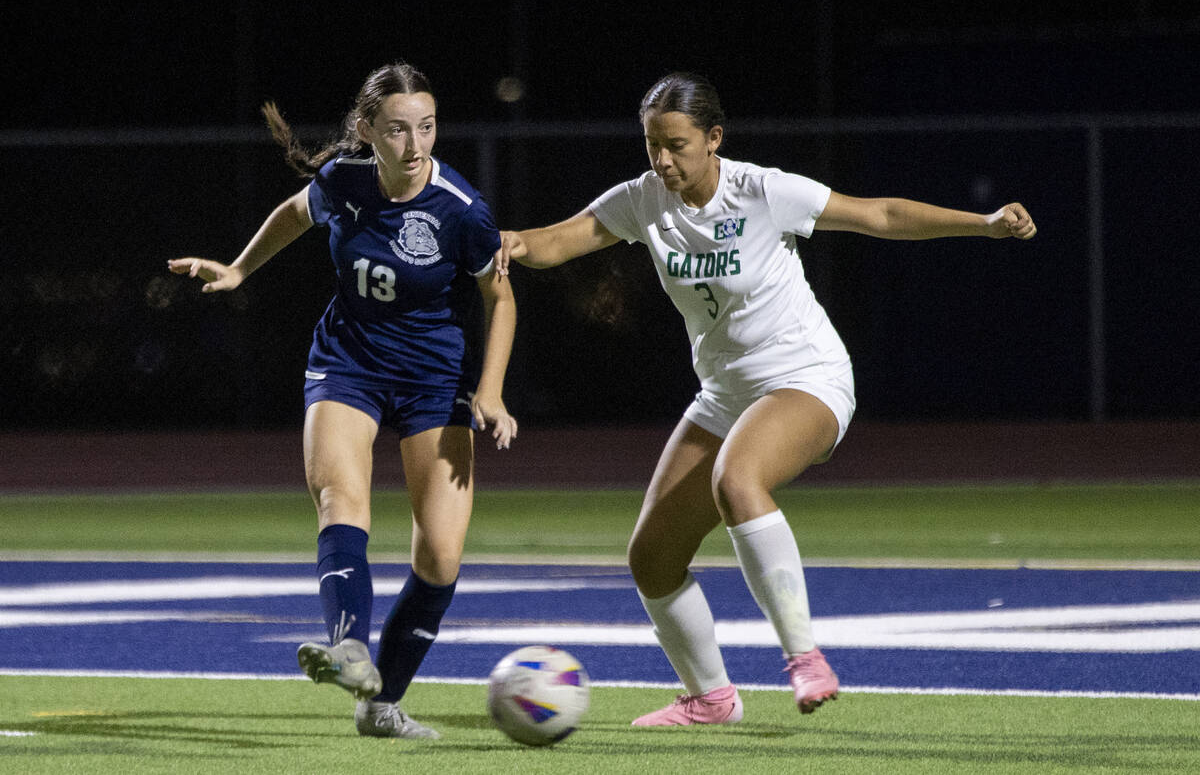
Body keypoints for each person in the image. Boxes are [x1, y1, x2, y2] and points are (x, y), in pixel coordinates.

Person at [495, 71, 1036, 727]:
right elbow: (560, 240)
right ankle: (711, 698)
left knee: (739, 478)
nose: (662, 160)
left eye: (677, 145)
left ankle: (805, 657)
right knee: (653, 556)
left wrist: (984, 224)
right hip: (727, 393)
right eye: (651, 145)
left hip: (807, 377)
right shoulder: (644, 199)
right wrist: (510, 244)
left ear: (714, 139)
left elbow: (880, 214)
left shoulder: (762, 191)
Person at [169, 62, 518, 740]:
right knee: (340, 500)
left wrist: (492, 389)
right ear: (366, 131)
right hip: (347, 364)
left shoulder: (462, 209)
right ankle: (349, 647)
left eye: (427, 127)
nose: (416, 145)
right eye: (397, 130)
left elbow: (499, 298)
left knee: (441, 557)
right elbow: (294, 214)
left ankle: (381, 705)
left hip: (431, 382)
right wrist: (240, 267)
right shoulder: (343, 182)